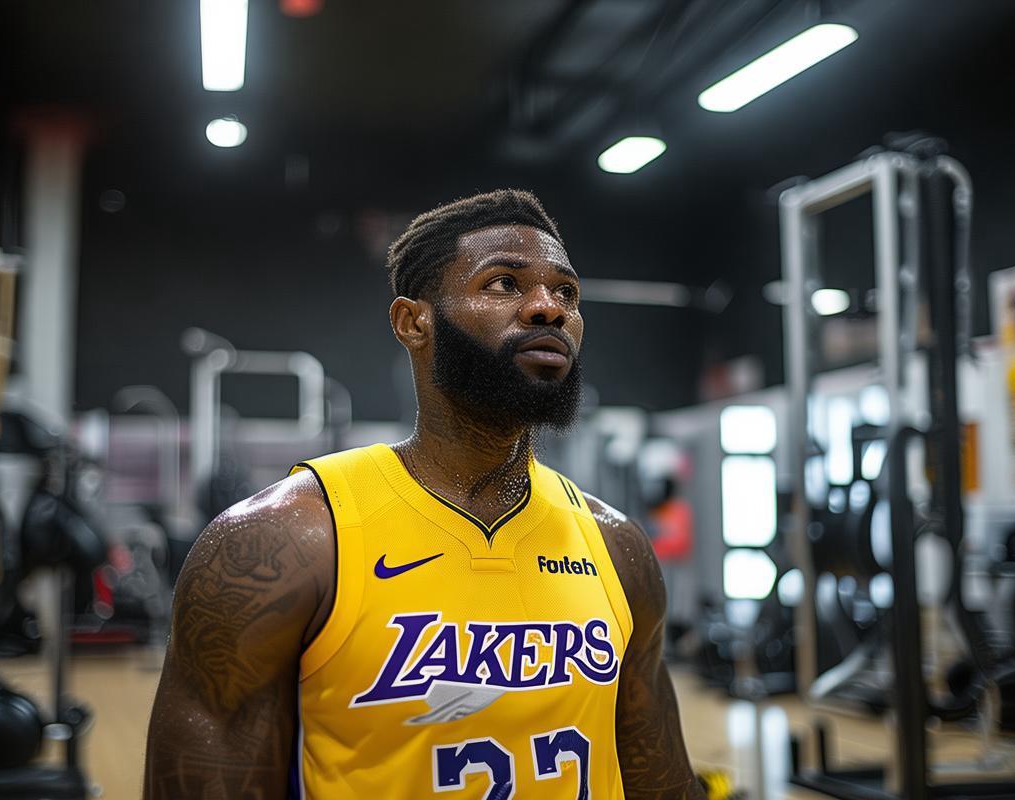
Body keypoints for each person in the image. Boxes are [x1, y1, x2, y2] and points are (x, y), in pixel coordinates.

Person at [144, 189, 704, 799]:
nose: (549, 308)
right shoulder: (285, 541)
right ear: (413, 322)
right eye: (505, 284)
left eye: (566, 292)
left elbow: (663, 784)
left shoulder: (617, 548)